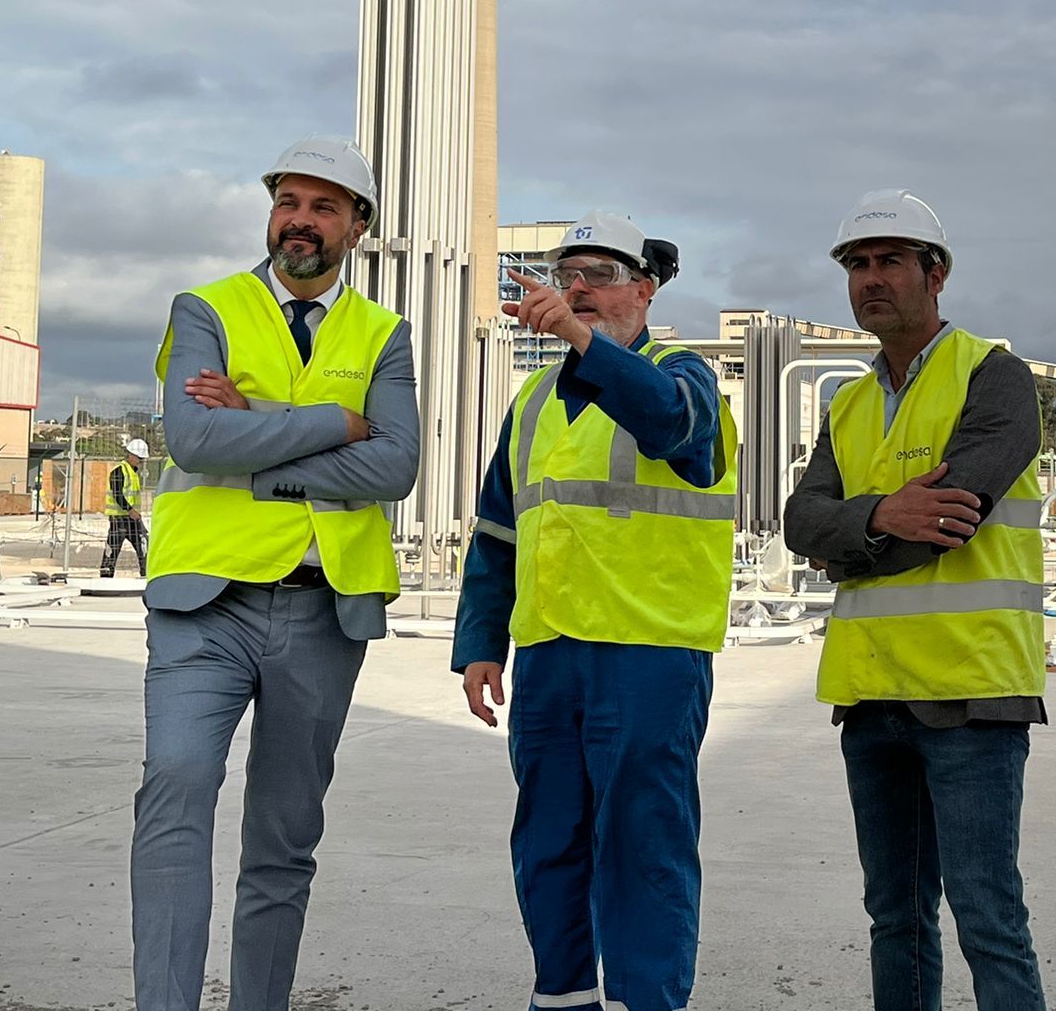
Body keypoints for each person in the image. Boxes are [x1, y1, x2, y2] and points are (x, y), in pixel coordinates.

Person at [131, 136, 420, 1011]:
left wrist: (258, 425)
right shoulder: (206, 310)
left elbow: (395, 469)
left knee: (284, 839)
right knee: (175, 792)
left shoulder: (385, 336)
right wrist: (337, 420)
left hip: (322, 611)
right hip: (202, 605)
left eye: (324, 206)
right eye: (289, 202)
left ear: (358, 228)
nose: (300, 220)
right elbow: (196, 440)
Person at [452, 211, 737, 1011]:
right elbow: (498, 532)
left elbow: (676, 429)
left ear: (643, 291)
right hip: (549, 656)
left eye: (600, 275)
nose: (577, 288)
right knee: (548, 845)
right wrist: (481, 644)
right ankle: (564, 999)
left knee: (643, 848)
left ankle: (648, 1002)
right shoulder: (535, 401)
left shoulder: (685, 375)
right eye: (566, 273)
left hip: (649, 653)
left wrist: (586, 348)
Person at [783, 188, 1049, 1011]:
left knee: (987, 915)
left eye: (890, 261)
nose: (871, 280)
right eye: (858, 265)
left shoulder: (994, 379)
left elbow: (955, 520)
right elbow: (798, 521)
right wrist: (881, 516)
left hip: (972, 693)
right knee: (893, 916)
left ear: (936, 274)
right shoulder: (850, 401)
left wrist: (850, 541)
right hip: (872, 696)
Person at [102, 437, 150, 578]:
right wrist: (129, 510)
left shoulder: (133, 472)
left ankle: (146, 574)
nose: (140, 462)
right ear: (131, 455)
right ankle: (105, 576)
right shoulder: (119, 471)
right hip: (119, 519)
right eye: (139, 458)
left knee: (144, 546)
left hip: (133, 520)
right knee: (113, 549)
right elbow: (117, 493)